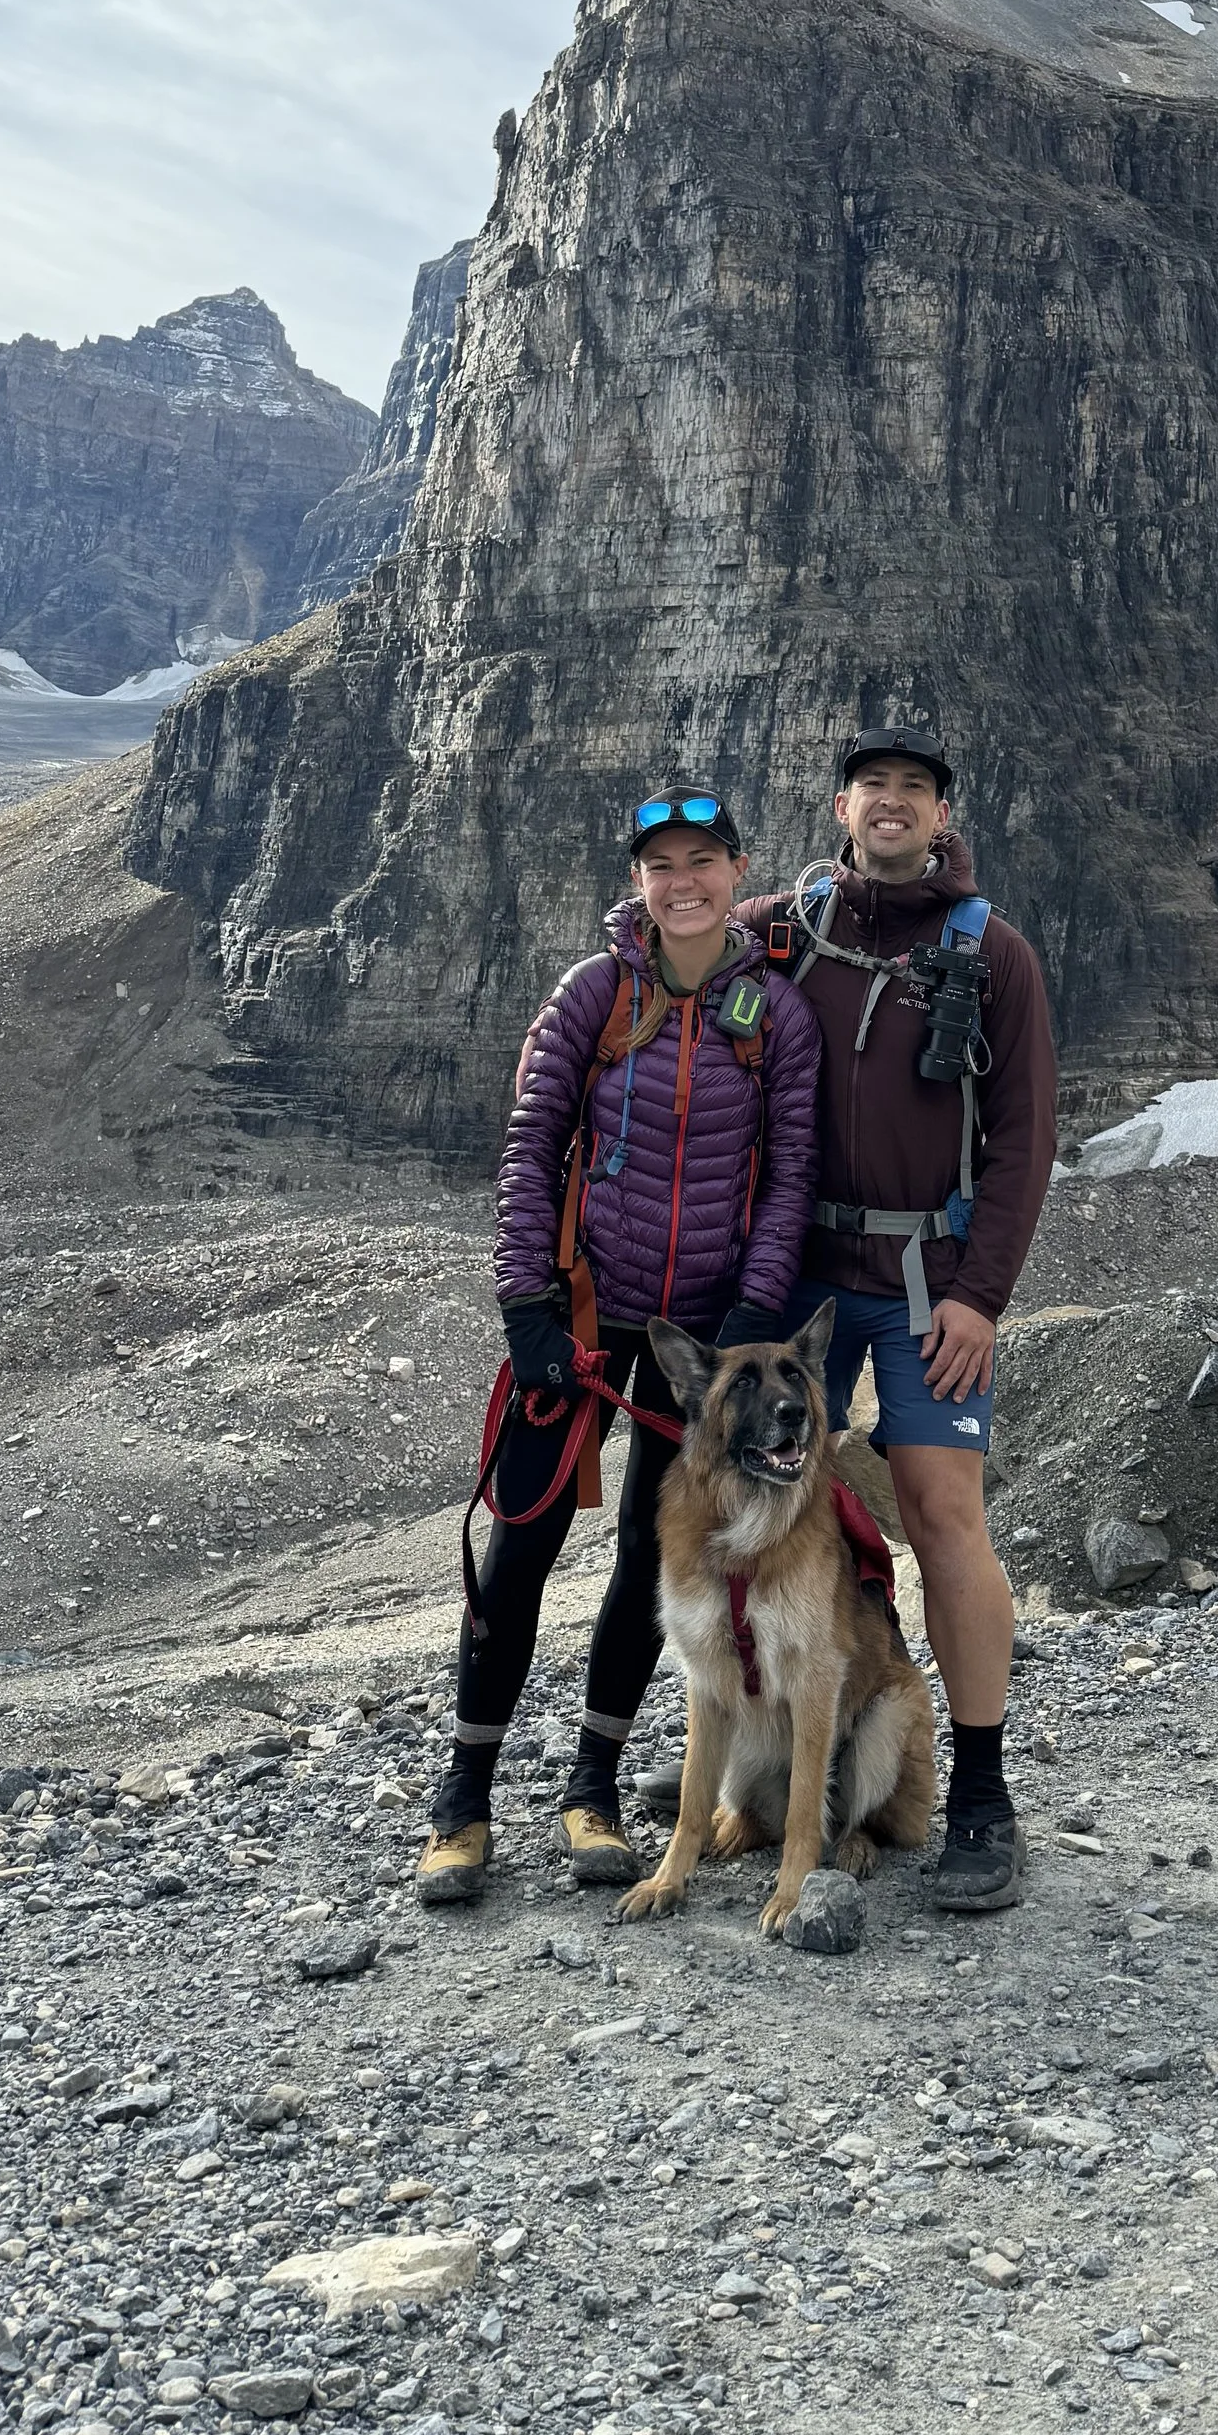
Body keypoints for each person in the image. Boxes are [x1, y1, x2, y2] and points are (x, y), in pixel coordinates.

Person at [413, 786, 823, 1906]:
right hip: (584, 1319)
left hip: (698, 1342)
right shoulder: (590, 998)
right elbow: (531, 1150)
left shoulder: (775, 1017)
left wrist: (748, 1324)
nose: (682, 882)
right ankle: (463, 1800)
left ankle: (592, 1788)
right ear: (636, 881)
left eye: (702, 861)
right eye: (661, 865)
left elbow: (791, 1179)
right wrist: (524, 1308)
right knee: (522, 1548)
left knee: (653, 1557)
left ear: (738, 873)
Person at [738, 722, 1056, 1912]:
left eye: (912, 791)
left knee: (941, 1515)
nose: (890, 804)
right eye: (872, 785)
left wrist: (981, 1295)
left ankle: (979, 1791)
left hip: (931, 1289)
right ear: (839, 807)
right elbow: (669, 943)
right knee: (758, 1521)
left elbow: (1023, 1140)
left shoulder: (995, 955)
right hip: (802, 1283)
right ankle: (763, 1769)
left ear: (940, 818)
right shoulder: (779, 928)